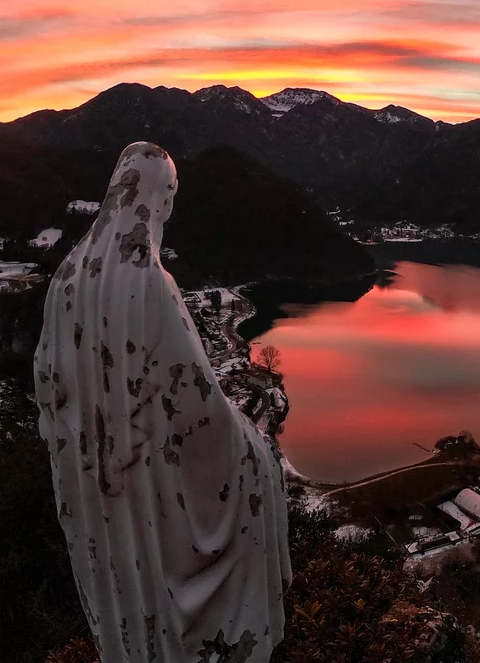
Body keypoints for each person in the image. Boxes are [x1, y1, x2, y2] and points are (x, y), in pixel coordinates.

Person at [33, 142, 290, 662]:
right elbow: (196, 405)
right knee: (257, 471)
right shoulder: (150, 283)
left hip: (96, 495)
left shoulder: (65, 280)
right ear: (158, 199)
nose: (168, 212)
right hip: (152, 484)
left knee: (128, 598)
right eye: (169, 198)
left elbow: (49, 386)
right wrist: (254, 446)